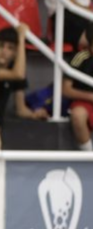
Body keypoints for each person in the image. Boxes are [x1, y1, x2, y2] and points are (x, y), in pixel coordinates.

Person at [0, 24, 48, 126]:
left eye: (10, 48)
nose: (4, 51)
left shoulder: (14, 71)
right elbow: (18, 74)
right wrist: (21, 37)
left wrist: (34, 114)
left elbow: (21, 109)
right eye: (1, 45)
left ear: (16, 52)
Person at [63, 21, 93, 151]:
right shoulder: (80, 58)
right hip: (85, 102)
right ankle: (89, 157)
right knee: (78, 115)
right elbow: (66, 89)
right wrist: (90, 96)